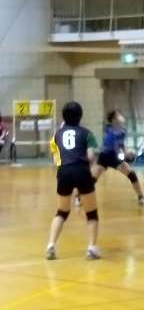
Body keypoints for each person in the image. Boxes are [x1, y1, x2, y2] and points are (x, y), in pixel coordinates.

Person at [46, 101, 100, 260]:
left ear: (63, 117)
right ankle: (92, 248)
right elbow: (91, 156)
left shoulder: (57, 135)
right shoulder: (87, 133)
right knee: (91, 213)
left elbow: (55, 158)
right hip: (81, 170)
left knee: (61, 212)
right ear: (80, 116)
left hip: (64, 171)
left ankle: (51, 245)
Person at [92, 110, 144, 206]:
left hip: (114, 157)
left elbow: (122, 144)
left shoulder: (123, 130)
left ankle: (141, 198)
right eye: (119, 115)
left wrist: (126, 152)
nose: (122, 117)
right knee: (92, 179)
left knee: (131, 174)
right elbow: (111, 147)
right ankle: (79, 197)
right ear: (114, 120)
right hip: (104, 157)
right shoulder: (109, 131)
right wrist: (126, 154)